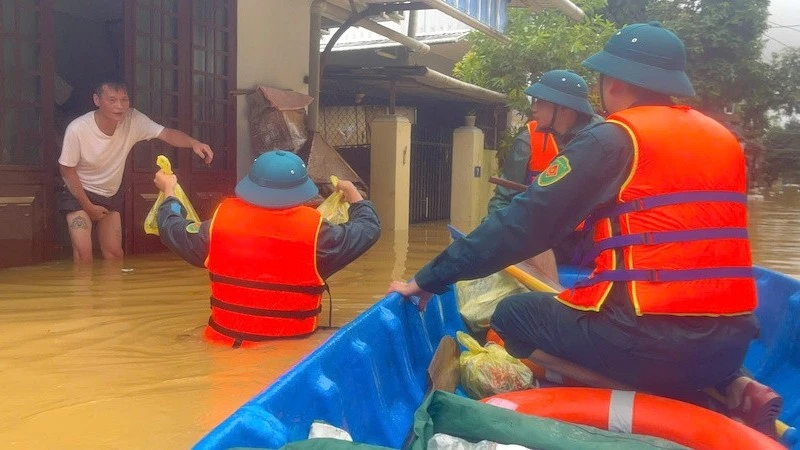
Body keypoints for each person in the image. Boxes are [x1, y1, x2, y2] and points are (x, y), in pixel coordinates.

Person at [390, 22, 781, 434]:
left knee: (512, 314)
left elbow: (520, 226)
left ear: (613, 83)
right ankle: (732, 383)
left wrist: (428, 280)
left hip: (651, 344)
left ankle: (676, 402)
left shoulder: (615, 138)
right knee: (664, 327)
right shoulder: (724, 140)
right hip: (731, 345)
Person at [154, 150, 380, 347]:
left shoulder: (219, 225)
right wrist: (354, 196)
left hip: (223, 349)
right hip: (292, 358)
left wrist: (169, 192)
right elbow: (368, 227)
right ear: (301, 191)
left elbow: (171, 227)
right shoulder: (320, 236)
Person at [58, 77, 214, 264]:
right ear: (97, 100)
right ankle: (81, 285)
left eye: (124, 100)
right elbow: (67, 171)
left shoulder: (132, 119)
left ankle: (112, 285)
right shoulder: (78, 129)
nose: (119, 106)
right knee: (84, 254)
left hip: (109, 194)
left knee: (115, 254)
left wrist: (194, 143)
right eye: (112, 100)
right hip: (79, 194)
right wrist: (88, 206)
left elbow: (166, 133)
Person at [487, 70, 603, 267]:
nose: (534, 108)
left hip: (592, 243)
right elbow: (503, 199)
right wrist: (491, 234)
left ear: (564, 108)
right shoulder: (527, 140)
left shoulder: (604, 139)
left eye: (541, 102)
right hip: (544, 243)